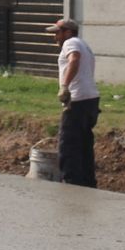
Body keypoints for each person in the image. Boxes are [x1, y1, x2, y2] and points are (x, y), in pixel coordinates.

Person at [49, 18, 99, 187]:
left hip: (77, 101)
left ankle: (71, 185)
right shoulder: (84, 44)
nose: (55, 36)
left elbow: (74, 60)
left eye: (57, 32)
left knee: (68, 146)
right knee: (84, 144)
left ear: (68, 32)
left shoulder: (71, 43)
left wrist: (64, 86)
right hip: (91, 100)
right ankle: (88, 183)